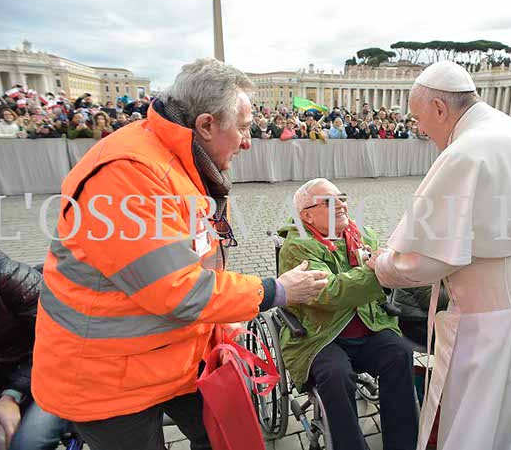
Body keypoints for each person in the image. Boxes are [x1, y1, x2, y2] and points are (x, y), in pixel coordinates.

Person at [31, 58, 329, 450]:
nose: (247, 142)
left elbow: (198, 259)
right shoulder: (128, 173)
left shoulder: (178, 159)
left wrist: (224, 324)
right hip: (105, 378)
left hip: (172, 355)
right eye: (242, 127)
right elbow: (178, 290)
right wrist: (276, 291)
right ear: (205, 125)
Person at [370, 61, 511, 450]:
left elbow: (423, 260)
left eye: (420, 118)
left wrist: (382, 264)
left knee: (487, 430)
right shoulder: (507, 128)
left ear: (439, 108)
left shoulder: (467, 151)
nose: (421, 129)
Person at [278, 179, 419, 450]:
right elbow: (327, 292)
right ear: (307, 216)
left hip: (367, 323)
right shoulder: (297, 247)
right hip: (320, 334)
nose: (341, 205)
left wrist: (392, 264)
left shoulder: (362, 233)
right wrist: (376, 271)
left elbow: (385, 268)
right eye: (329, 202)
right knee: (336, 374)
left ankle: (403, 444)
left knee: (400, 353)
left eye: (341, 198)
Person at [0, 249, 72, 450]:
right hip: (4, 382)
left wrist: (12, 396)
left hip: (53, 376)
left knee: (24, 444)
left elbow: (61, 342)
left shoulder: (9, 277)